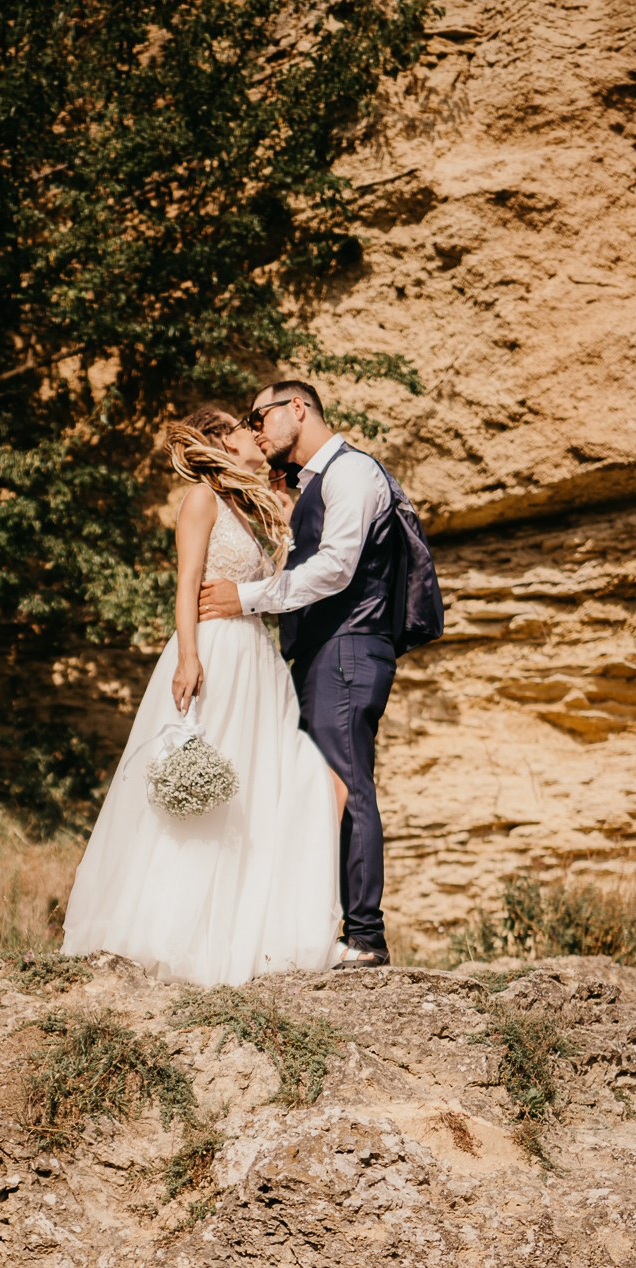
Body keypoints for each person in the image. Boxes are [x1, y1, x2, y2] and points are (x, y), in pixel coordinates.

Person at [61, 407, 345, 987]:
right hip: (214, 653)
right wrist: (189, 657)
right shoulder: (200, 499)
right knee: (202, 783)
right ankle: (173, 931)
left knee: (259, 787)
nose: (252, 431)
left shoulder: (248, 503)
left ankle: (249, 933)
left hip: (257, 658)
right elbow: (186, 585)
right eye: (242, 425)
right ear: (220, 440)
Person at [199, 380, 426, 968]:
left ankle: (366, 937)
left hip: (349, 648)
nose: (254, 431)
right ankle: (325, 927)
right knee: (316, 788)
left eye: (260, 416)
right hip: (326, 652)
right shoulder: (314, 485)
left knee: (345, 784)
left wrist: (244, 599)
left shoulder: (352, 473)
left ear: (296, 409)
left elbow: (334, 568)